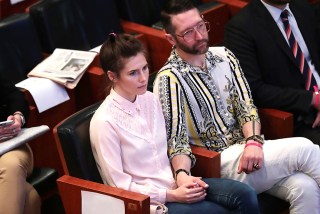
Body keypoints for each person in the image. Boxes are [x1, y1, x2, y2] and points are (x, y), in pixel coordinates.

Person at [153, 0, 320, 213]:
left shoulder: (225, 56)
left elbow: (246, 106)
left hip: (250, 149)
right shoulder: (169, 79)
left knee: (305, 188)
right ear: (170, 38)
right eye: (187, 32)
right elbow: (176, 139)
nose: (199, 35)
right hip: (217, 162)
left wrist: (253, 141)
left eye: (201, 26)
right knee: (304, 149)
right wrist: (182, 175)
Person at [90, 33, 259, 214]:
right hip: (150, 204)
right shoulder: (104, 122)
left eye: (145, 68)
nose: (143, 78)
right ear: (112, 76)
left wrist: (182, 176)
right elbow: (118, 185)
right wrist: (170, 195)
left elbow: (173, 143)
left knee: (245, 194)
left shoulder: (150, 99)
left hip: (175, 184)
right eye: (133, 73)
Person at [223, 0, 320, 144]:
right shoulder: (241, 28)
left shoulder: (303, 7)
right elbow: (254, 90)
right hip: (297, 117)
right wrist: (313, 99)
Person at [0, 81, 41, 213]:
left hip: (9, 147)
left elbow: (14, 94)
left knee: (12, 165)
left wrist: (18, 117)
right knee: (30, 198)